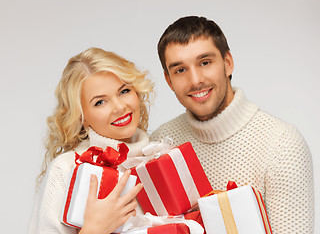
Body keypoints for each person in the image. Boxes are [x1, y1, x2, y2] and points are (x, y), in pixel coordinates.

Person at [150, 16, 314, 233]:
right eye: (180, 70)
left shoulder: (282, 145)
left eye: (205, 62)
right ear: (169, 80)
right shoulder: (161, 143)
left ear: (227, 63)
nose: (195, 80)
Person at [28, 47, 154, 234]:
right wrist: (94, 229)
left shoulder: (159, 155)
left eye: (124, 91)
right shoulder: (66, 169)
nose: (120, 107)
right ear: (82, 117)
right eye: (100, 102)